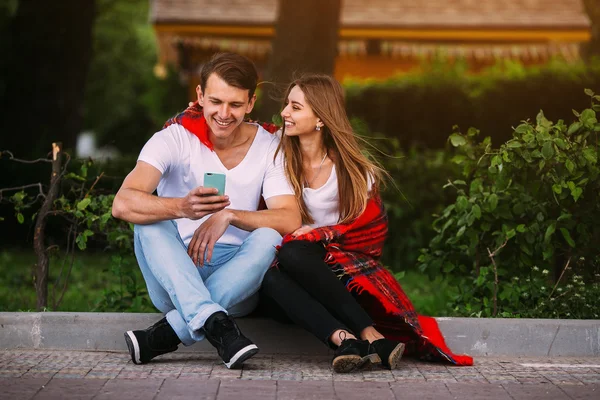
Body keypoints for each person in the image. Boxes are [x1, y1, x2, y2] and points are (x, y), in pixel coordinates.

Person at [260, 74, 473, 373]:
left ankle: (354, 338)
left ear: (320, 117)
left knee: (295, 252)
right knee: (271, 277)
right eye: (286, 105)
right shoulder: (275, 153)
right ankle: (362, 338)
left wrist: (319, 235)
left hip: (336, 274)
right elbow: (234, 128)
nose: (284, 113)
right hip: (287, 282)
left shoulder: (354, 171)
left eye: (295, 107)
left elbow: (365, 232)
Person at [111, 52, 301, 369]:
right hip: (174, 273)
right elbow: (123, 202)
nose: (224, 114)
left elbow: (289, 217)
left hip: (238, 281)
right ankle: (210, 322)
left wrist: (229, 215)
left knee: (269, 236)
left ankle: (176, 330)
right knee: (149, 219)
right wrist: (181, 207)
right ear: (199, 96)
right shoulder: (174, 138)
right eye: (215, 101)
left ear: (251, 102)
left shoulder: (270, 146)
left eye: (236, 105)